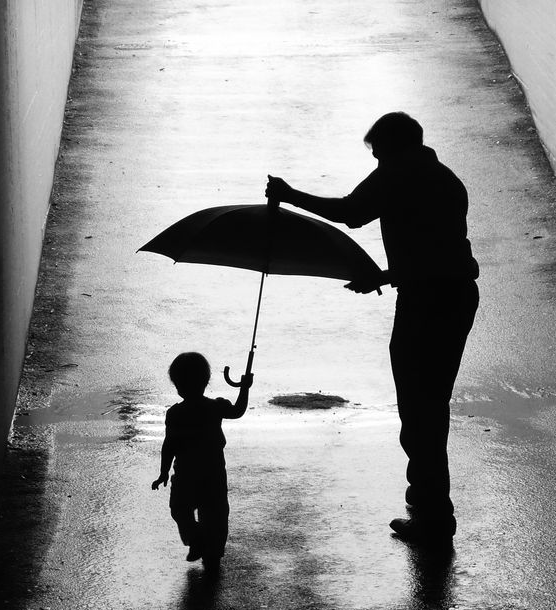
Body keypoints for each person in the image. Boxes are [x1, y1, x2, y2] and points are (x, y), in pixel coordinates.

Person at [266, 111, 479, 545]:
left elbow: (351, 213)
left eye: (380, 155)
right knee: (431, 405)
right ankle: (428, 505)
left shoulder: (398, 174)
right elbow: (434, 251)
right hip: (455, 296)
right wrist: (384, 276)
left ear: (397, 149)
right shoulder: (444, 177)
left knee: (419, 412)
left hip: (425, 303)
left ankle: (433, 516)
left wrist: (289, 195)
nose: (377, 164)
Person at [151, 352, 253, 564]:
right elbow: (238, 411)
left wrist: (163, 472)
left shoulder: (175, 414)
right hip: (213, 474)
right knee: (216, 515)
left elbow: (169, 445)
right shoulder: (215, 407)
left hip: (186, 475)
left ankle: (196, 538)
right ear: (206, 382)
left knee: (180, 510)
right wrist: (244, 388)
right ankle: (212, 550)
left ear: (177, 386)